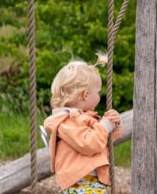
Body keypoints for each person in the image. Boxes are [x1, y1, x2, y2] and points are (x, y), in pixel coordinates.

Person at [44, 52, 123, 193]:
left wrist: (114, 124)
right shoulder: (67, 121)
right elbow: (90, 143)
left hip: (88, 182)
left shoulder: (83, 118)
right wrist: (104, 125)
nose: (100, 96)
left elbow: (103, 140)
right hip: (81, 183)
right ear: (86, 95)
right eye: (98, 92)